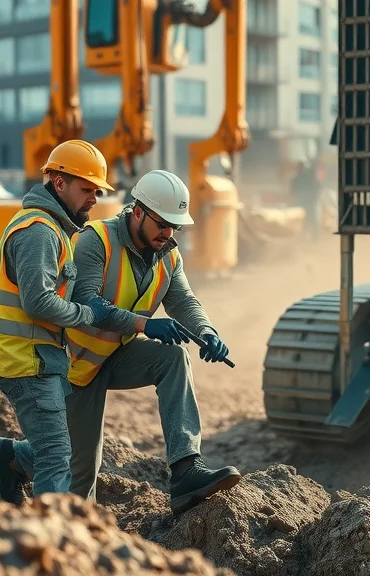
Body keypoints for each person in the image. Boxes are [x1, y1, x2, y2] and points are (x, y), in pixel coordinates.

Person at [64, 169, 241, 514]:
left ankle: (186, 469)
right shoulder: (95, 240)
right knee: (82, 464)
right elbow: (87, 302)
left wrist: (207, 333)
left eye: (175, 225)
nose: (168, 233)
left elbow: (185, 302)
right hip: (74, 361)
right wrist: (145, 324)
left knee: (174, 358)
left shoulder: (169, 255)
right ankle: (12, 457)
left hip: (115, 355)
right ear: (138, 211)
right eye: (162, 223)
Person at [0, 139, 119, 503]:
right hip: (25, 360)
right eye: (87, 189)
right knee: (57, 459)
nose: (94, 198)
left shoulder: (54, 226)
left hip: (33, 356)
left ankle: (9, 458)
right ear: (59, 183)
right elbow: (39, 303)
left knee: (53, 445)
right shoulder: (40, 231)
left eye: (98, 191)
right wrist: (88, 315)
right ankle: (53, 546)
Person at [291, 159, 322, 240]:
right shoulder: (299, 178)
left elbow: (317, 188)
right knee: (306, 221)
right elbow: (294, 191)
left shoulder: (306, 178)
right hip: (305, 203)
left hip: (310, 202)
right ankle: (305, 237)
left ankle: (313, 238)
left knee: (311, 220)